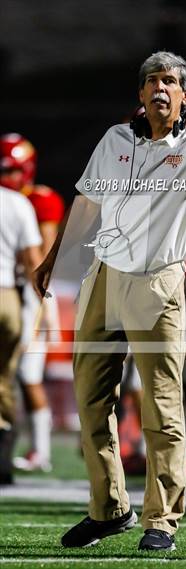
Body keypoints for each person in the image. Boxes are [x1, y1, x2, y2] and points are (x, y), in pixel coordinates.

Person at [33, 51, 186, 551]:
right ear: (140, 93)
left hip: (156, 280)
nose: (160, 88)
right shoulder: (114, 138)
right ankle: (108, 509)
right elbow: (87, 204)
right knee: (90, 399)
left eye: (170, 81)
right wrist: (53, 259)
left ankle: (161, 519)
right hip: (103, 275)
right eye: (151, 81)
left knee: (161, 404)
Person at [0, 133, 65, 473]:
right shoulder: (15, 202)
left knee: (28, 375)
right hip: (14, 293)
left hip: (29, 294)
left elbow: (42, 258)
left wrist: (46, 306)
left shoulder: (38, 201)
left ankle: (40, 449)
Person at [0, 184, 42, 485]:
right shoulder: (17, 203)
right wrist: (43, 305)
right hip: (6, 297)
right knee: (4, 378)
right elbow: (32, 260)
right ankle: (2, 459)